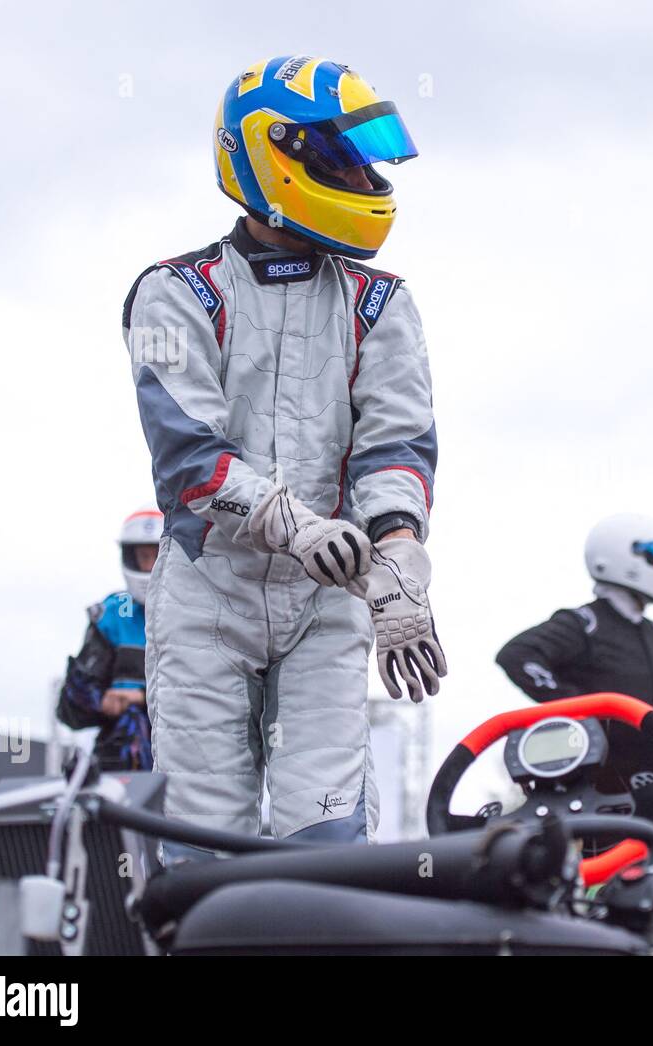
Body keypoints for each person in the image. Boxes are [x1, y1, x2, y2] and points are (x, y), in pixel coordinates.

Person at [121, 56, 445, 848]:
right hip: (207, 596)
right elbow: (189, 458)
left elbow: (394, 443)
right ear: (275, 154)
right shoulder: (174, 290)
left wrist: (399, 560)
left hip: (331, 594)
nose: (364, 177)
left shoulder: (381, 304)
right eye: (343, 158)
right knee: (202, 849)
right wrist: (295, 524)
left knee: (325, 846)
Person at [496, 514, 653, 799]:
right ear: (625, 556)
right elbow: (517, 655)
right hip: (600, 783)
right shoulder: (585, 622)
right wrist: (581, 709)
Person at [57, 509, 162, 771]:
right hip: (121, 764)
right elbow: (69, 709)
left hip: (186, 761)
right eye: (143, 557)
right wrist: (102, 703)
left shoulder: (200, 613)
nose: (149, 566)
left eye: (157, 556)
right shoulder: (112, 616)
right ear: (130, 557)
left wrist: (140, 697)